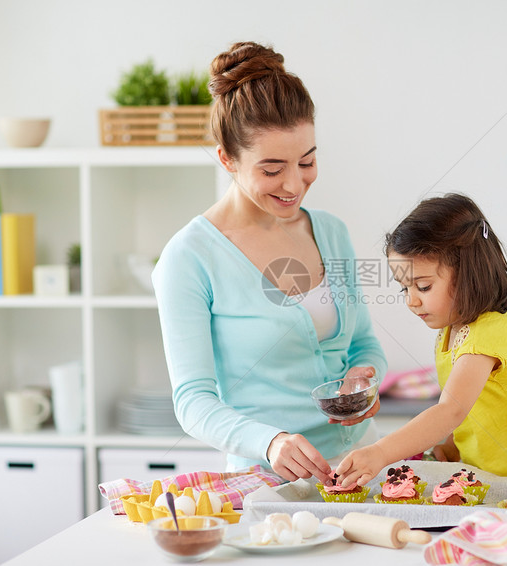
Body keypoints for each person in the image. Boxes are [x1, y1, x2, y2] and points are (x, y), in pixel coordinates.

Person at [152, 41, 387, 484]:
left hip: (365, 465)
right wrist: (270, 442)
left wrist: (365, 378)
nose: (295, 184)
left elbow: (364, 343)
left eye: (308, 161)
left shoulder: (330, 233)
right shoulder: (188, 259)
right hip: (268, 483)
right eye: (272, 169)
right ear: (226, 158)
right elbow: (192, 400)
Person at [335, 193, 507, 486]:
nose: (412, 301)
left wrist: (380, 452)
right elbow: (476, 408)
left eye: (423, 286)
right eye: (405, 289)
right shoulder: (449, 333)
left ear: (468, 274)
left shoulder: (489, 331)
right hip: (504, 486)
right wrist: (453, 445)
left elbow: (451, 409)